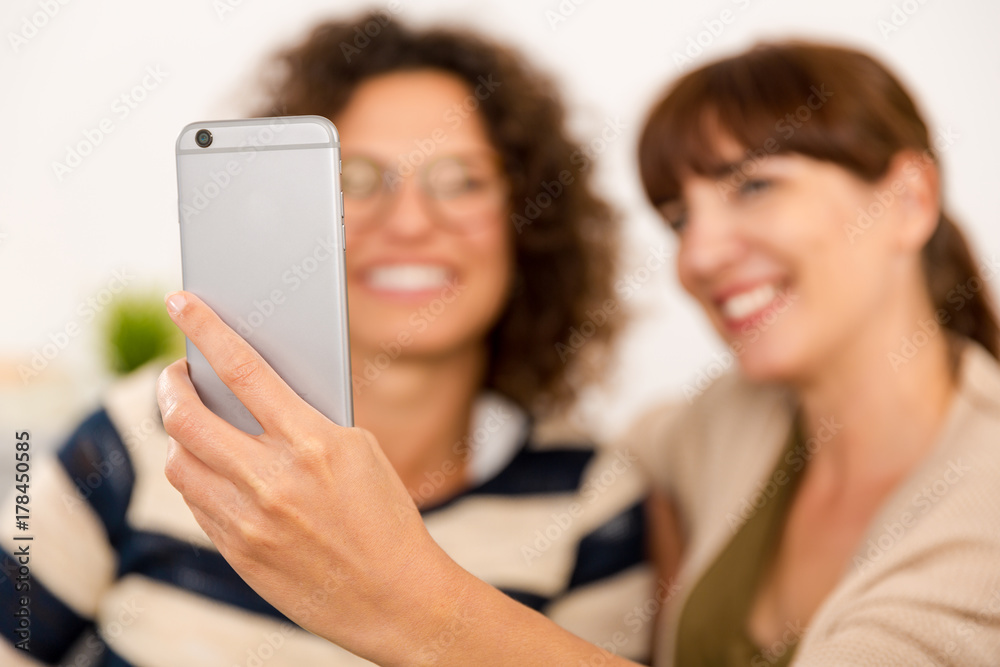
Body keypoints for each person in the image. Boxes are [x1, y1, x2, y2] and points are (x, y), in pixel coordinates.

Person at [155, 39, 1000, 666]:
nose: (699, 257)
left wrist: (406, 596)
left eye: (754, 186)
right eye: (678, 217)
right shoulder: (697, 436)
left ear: (910, 197)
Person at [0, 15, 657, 667]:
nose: (409, 221)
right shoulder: (149, 430)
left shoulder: (589, 500)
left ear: (528, 224)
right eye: (355, 180)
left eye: (461, 181)